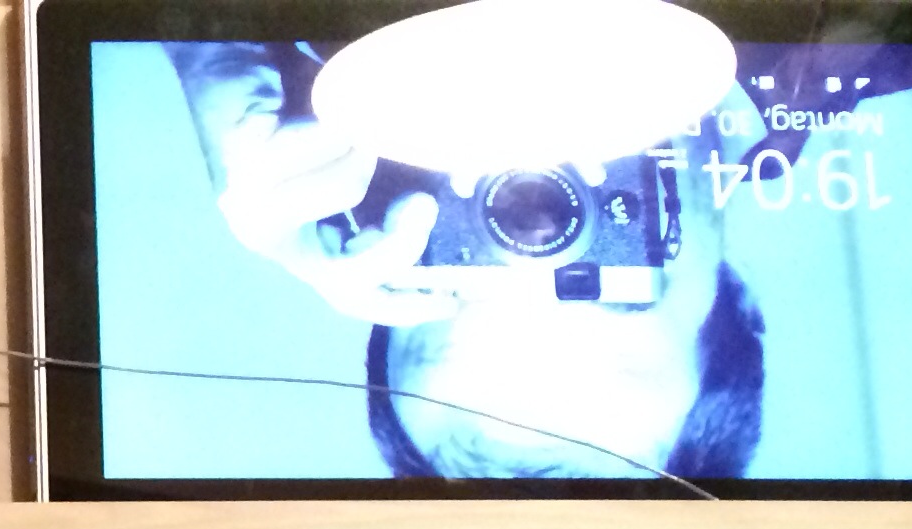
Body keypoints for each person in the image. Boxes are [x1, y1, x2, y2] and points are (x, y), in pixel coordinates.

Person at [163, 39, 762, 480]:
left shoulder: (345, 68)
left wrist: (219, 39)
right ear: (736, 301)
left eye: (467, 274)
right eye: (604, 285)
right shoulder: (805, 56)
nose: (534, 205)